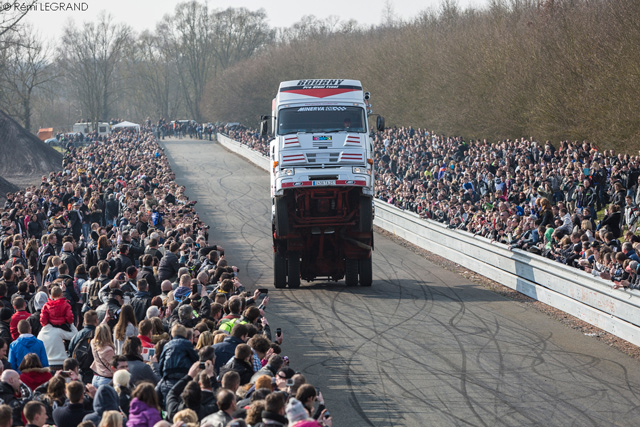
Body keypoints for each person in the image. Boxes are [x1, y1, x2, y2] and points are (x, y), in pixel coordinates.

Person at [156, 324, 199, 407]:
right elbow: (195, 359)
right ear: (185, 334)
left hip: (168, 380)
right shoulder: (187, 344)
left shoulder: (167, 345)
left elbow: (161, 364)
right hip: (184, 378)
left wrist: (164, 378)